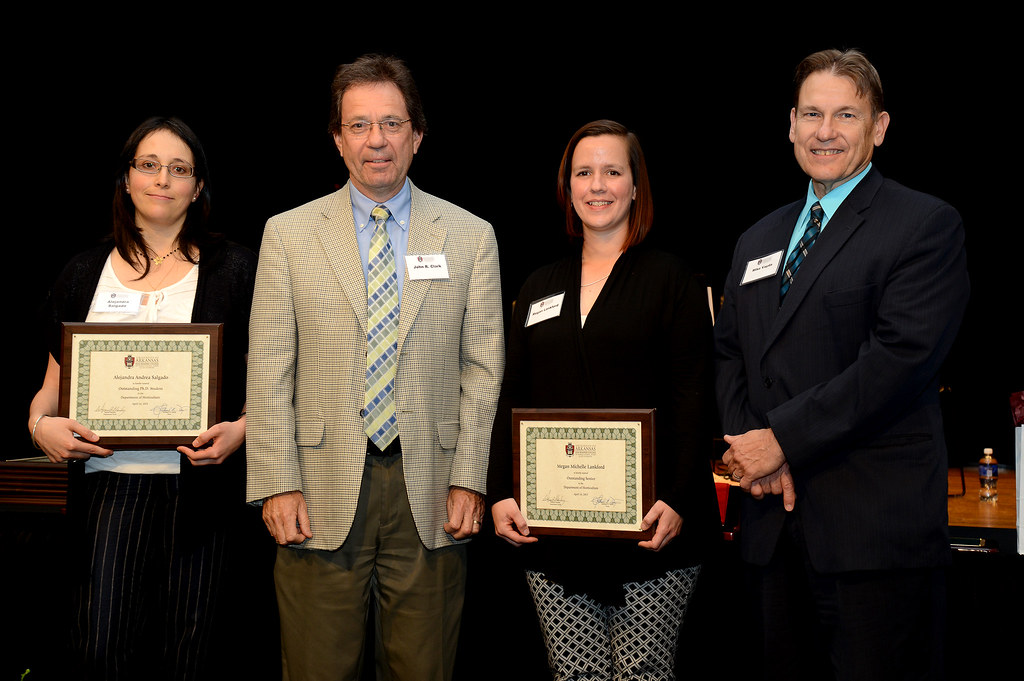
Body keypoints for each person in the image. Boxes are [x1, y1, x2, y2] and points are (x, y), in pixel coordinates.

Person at [245, 53, 504, 681]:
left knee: (424, 670)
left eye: (391, 123)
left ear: (416, 134)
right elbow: (269, 370)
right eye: (359, 126)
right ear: (337, 139)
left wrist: (469, 478)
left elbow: (484, 370)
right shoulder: (288, 233)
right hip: (318, 489)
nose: (376, 140)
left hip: (434, 495)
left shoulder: (470, 236)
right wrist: (276, 482)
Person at [714, 49, 969, 680]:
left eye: (846, 115)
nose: (825, 131)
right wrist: (755, 456)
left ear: (879, 128)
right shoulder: (758, 239)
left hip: (872, 538)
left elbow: (898, 362)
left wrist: (782, 442)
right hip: (772, 530)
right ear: (791, 125)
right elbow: (728, 355)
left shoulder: (924, 225)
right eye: (812, 114)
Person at [27, 116, 257, 680]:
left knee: (192, 656)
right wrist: (40, 427)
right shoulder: (83, 273)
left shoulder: (236, 270)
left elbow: (276, 379)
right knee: (100, 650)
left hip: (202, 493)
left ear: (198, 186)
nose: (162, 179)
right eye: (148, 165)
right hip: (108, 490)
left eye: (179, 169)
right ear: (126, 179)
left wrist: (243, 430)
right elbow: (48, 394)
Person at [489, 120, 720, 680]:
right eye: (583, 172)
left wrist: (678, 498)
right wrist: (499, 492)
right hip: (555, 530)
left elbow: (694, 398)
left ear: (636, 185)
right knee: (575, 672)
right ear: (567, 187)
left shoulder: (674, 281)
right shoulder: (539, 284)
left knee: (643, 671)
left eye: (613, 171)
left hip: (652, 527)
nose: (598, 185)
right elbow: (511, 393)